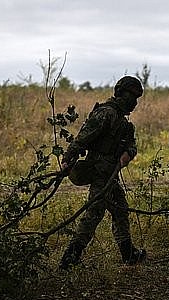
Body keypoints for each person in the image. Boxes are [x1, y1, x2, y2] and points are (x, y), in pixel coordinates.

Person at [59, 75, 146, 270]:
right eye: (132, 96)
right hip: (99, 172)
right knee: (94, 214)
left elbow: (132, 145)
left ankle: (128, 254)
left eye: (137, 98)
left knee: (120, 210)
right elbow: (82, 139)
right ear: (122, 94)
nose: (134, 102)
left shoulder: (124, 123)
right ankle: (70, 258)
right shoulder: (105, 114)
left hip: (110, 175)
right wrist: (67, 159)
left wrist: (127, 155)